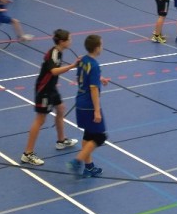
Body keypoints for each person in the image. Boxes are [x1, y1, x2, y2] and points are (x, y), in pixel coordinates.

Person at [20, 29, 79, 166]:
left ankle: (61, 141)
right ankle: (27, 154)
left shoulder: (59, 52)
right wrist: (72, 66)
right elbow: (54, 71)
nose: (71, 41)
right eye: (69, 39)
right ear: (62, 41)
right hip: (44, 90)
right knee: (40, 119)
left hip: (51, 88)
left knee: (61, 109)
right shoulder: (54, 53)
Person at [69, 34, 110, 178]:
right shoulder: (95, 65)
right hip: (89, 105)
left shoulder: (83, 60)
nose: (102, 47)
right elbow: (93, 89)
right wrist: (97, 111)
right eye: (101, 45)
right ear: (97, 48)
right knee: (100, 137)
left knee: (88, 135)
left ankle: (89, 167)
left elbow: (82, 77)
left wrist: (100, 79)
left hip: (80, 102)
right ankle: (77, 161)